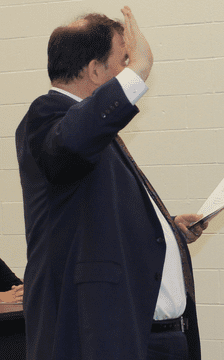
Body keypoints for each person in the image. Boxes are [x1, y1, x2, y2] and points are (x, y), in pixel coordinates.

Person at [15, 7, 208, 360]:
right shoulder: (46, 117)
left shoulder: (92, 132)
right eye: (123, 60)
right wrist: (141, 69)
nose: (130, 66)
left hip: (152, 337)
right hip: (111, 337)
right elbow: (72, 142)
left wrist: (171, 231)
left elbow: (100, 225)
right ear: (94, 69)